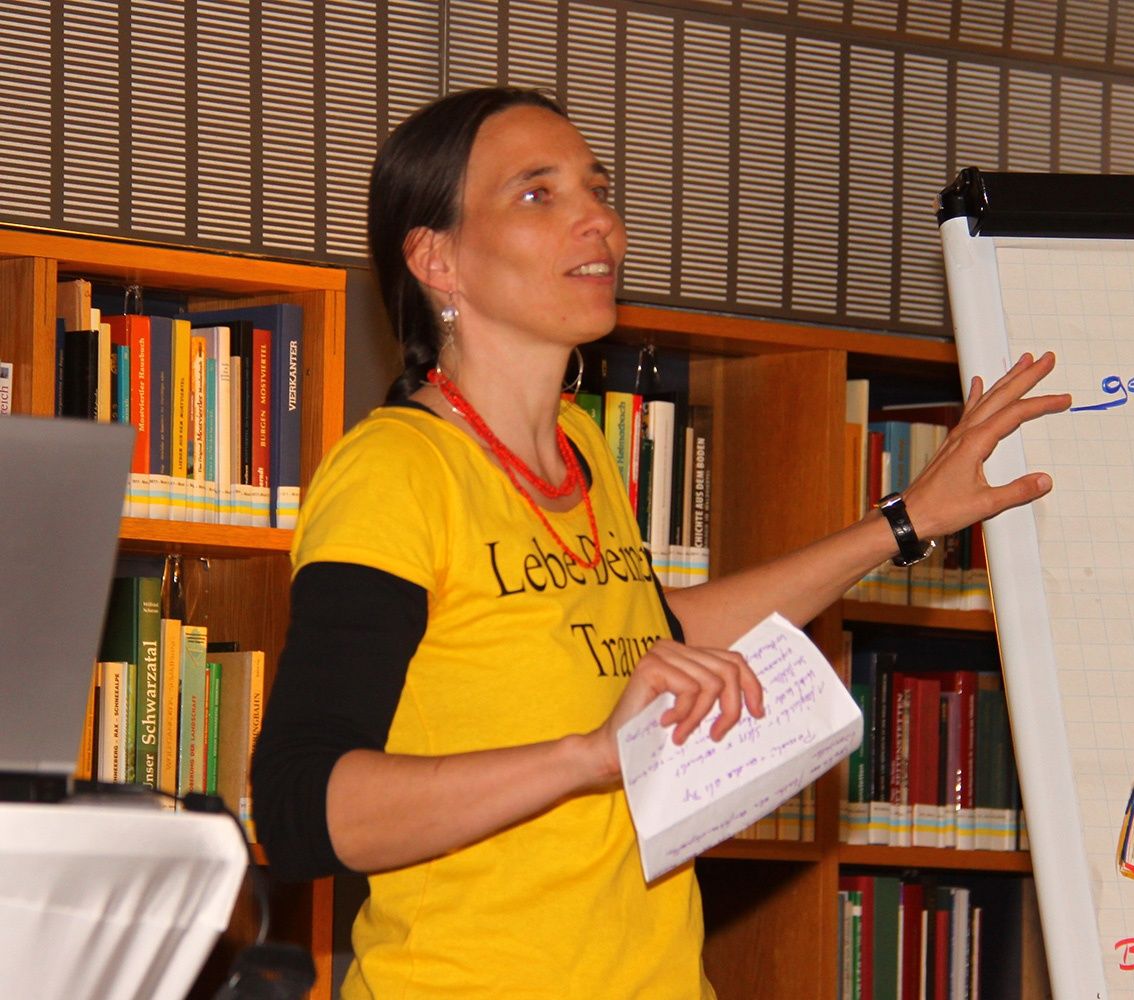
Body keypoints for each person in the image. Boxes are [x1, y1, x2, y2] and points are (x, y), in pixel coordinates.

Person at [251, 85, 1070, 999]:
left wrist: (904, 521)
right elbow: (298, 805)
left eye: (599, 190)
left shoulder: (584, 446)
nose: (598, 220)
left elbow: (650, 635)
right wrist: (591, 756)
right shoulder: (394, 472)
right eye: (538, 193)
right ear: (436, 258)